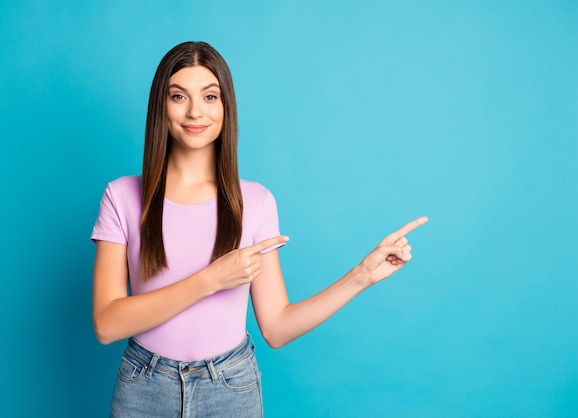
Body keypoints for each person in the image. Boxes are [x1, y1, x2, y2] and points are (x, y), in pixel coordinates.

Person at [90, 41, 428, 418]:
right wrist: (211, 280)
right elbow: (107, 324)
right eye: (178, 96)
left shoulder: (256, 201)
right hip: (144, 388)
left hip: (230, 389)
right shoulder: (122, 196)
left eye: (210, 96)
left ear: (225, 107)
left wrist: (362, 275)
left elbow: (277, 328)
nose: (195, 111)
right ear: (161, 106)